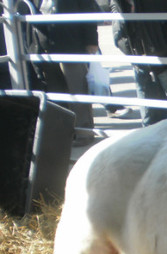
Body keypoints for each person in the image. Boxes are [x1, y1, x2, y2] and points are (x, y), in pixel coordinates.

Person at [33, 0, 100, 146]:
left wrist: (91, 40)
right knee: (57, 93)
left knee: (77, 90)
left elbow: (87, 9)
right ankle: (64, 132)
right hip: (48, 47)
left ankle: (84, 131)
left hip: (71, 45)